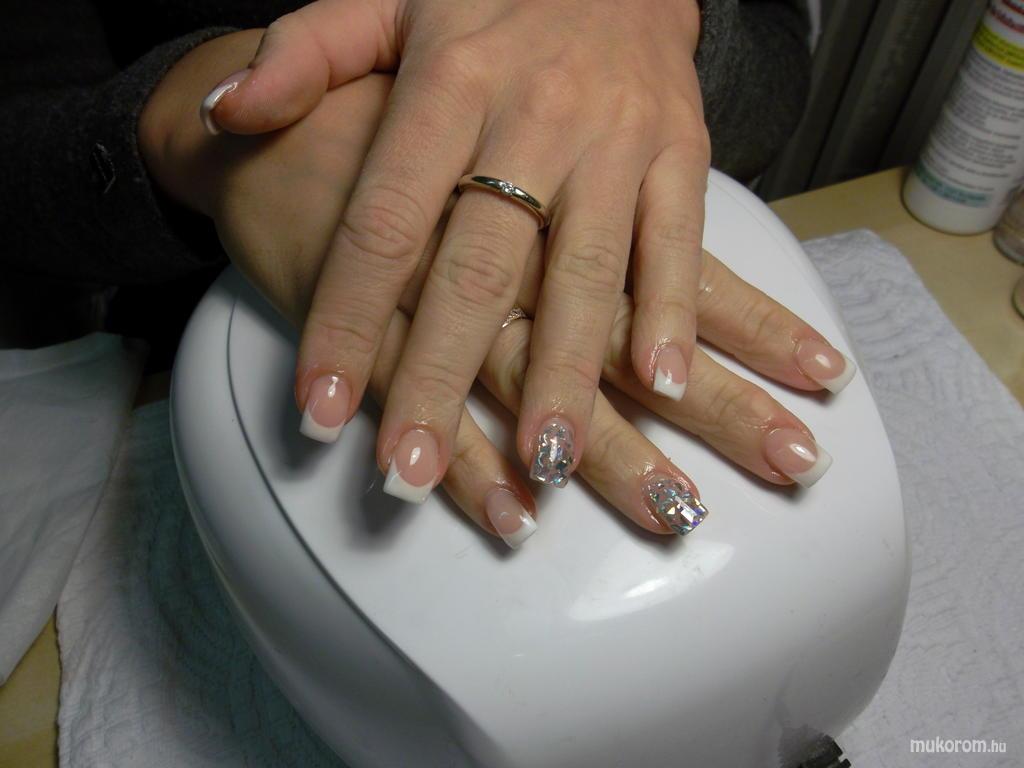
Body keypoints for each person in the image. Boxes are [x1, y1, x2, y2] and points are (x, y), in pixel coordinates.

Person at [1, 1, 853, 549]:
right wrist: (185, 129)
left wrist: (661, 20)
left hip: (623, 253)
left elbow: (780, 45)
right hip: (201, 359)